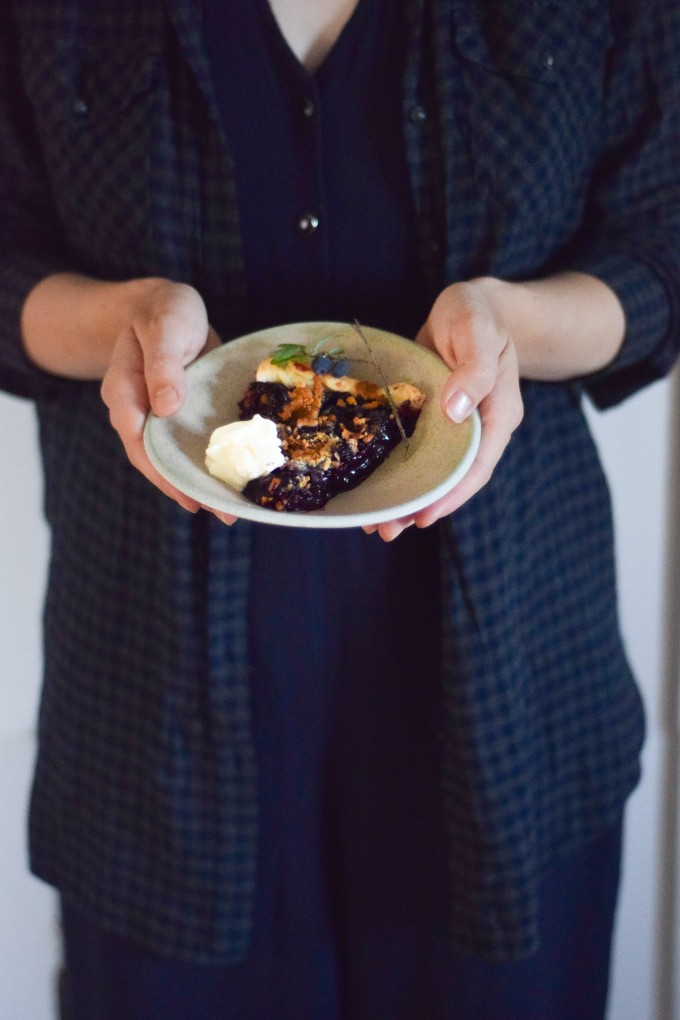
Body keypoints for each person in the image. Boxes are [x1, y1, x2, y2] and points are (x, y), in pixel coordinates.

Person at [1, 1, 679, 1017]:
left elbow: (657, 243)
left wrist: (514, 327)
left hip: (511, 693)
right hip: (156, 723)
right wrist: (119, 324)